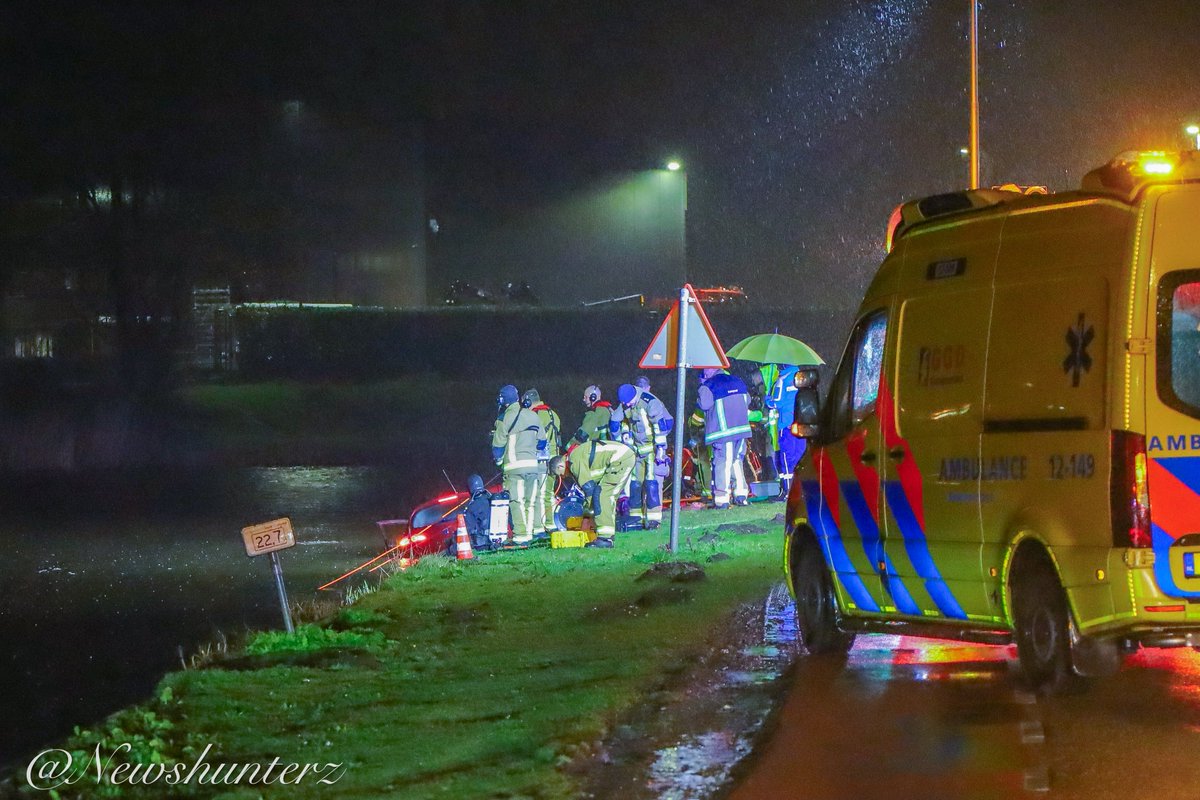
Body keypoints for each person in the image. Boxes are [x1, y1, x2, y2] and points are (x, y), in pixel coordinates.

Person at [550, 434, 637, 548]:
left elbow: (589, 490)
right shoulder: (575, 456)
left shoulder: (573, 461)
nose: (564, 477)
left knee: (602, 497)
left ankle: (605, 539)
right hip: (622, 457)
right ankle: (605, 535)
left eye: (561, 475)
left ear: (560, 466)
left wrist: (587, 518)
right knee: (602, 495)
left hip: (619, 460)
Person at [491, 384, 546, 544]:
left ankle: (521, 536)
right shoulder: (533, 416)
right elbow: (542, 442)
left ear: (503, 400)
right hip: (533, 467)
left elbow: (497, 448)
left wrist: (500, 462)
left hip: (514, 468)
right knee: (530, 501)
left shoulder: (504, 419)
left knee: (517, 501)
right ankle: (531, 533)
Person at [697, 367, 752, 508]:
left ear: (710, 370)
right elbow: (748, 400)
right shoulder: (738, 381)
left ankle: (722, 500)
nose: (704, 373)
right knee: (736, 461)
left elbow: (704, 404)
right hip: (742, 430)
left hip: (723, 433)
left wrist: (701, 387)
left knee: (723, 463)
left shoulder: (709, 386)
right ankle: (741, 495)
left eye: (704, 371)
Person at [522, 388, 563, 540]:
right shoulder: (554, 414)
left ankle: (539, 526)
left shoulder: (534, 415)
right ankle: (551, 524)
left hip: (542, 460)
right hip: (555, 460)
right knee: (549, 494)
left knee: (538, 494)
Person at [765, 364, 807, 499]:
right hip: (802, 423)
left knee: (786, 458)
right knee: (800, 457)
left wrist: (767, 399)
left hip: (787, 425)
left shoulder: (783, 379)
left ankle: (788, 491)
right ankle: (801, 491)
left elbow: (777, 403)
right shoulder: (803, 377)